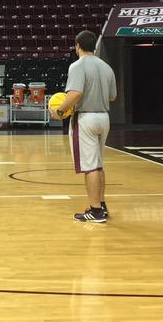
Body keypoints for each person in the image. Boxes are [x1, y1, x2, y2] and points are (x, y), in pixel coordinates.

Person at [49, 30, 117, 224]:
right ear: (94, 46)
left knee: (89, 167)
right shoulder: (106, 67)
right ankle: (101, 205)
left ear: (77, 46)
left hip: (86, 118)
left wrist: (60, 112)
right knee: (98, 164)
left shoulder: (77, 66)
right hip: (104, 117)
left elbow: (75, 93)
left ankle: (95, 211)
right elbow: (112, 96)